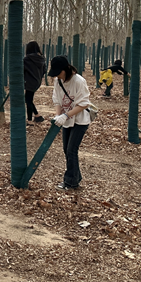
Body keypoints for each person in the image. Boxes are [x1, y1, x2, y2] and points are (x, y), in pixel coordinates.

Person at [49, 56, 92, 191]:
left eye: (59, 72)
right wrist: (58, 116)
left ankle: (71, 182)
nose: (57, 75)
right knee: (66, 149)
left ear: (66, 69)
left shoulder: (79, 81)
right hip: (66, 119)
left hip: (80, 120)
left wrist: (66, 115)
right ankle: (76, 176)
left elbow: (84, 104)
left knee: (71, 150)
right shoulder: (58, 81)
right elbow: (57, 100)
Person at [23, 41, 46, 124]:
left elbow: (22, 70)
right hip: (37, 82)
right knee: (28, 99)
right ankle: (37, 116)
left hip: (29, 82)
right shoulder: (42, 59)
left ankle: (29, 120)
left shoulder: (27, 59)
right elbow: (44, 71)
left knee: (28, 100)